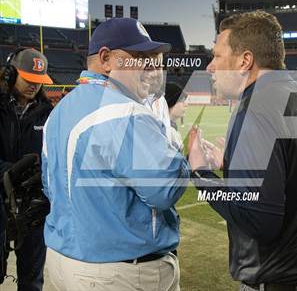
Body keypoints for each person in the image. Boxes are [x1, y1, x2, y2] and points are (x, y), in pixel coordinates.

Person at [188, 11, 297, 290]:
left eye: (217, 56)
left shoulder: (256, 106)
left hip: (286, 280)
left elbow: (259, 220)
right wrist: (232, 163)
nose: (210, 67)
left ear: (245, 61)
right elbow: (294, 172)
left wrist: (201, 174)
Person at [41, 18, 190, 291]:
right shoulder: (124, 110)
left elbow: (50, 187)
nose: (148, 67)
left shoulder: (59, 111)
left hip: (63, 260)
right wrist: (183, 156)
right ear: (106, 58)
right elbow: (164, 190)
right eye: (137, 57)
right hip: (118, 271)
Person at [0, 48, 53, 290]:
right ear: (10, 75)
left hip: (34, 207)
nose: (34, 86)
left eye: (38, 82)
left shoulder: (50, 113)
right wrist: (10, 172)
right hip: (0, 200)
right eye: (28, 79)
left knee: (32, 282)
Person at [164, 81, 188, 150]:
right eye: (181, 100)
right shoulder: (168, 133)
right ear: (170, 102)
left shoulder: (170, 128)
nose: (186, 104)